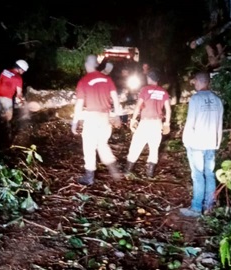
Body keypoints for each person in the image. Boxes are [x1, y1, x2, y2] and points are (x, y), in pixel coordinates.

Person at [71, 55, 122, 186]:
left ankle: (89, 177)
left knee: (89, 146)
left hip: (92, 117)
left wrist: (75, 122)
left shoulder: (84, 81)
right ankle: (114, 170)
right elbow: (116, 99)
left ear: (88, 65)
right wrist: (117, 116)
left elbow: (79, 104)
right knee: (102, 144)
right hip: (105, 117)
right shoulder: (107, 79)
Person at [180, 71, 223, 217]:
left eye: (195, 82)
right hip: (211, 143)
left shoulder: (195, 99)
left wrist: (186, 140)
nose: (195, 84)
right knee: (209, 174)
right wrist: (217, 142)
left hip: (197, 143)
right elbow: (220, 123)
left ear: (199, 82)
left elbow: (190, 122)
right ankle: (209, 207)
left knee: (198, 175)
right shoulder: (217, 100)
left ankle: (196, 208)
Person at [125, 70, 171, 178]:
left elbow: (138, 106)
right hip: (157, 123)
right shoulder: (163, 92)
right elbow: (168, 110)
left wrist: (133, 120)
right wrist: (167, 124)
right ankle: (149, 174)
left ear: (149, 78)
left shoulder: (145, 89)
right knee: (154, 148)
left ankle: (128, 170)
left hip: (145, 123)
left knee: (136, 146)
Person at [0, 59, 29, 135]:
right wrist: (22, 101)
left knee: (0, 115)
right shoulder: (18, 78)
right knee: (8, 117)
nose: (23, 73)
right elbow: (18, 94)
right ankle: (6, 134)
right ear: (20, 69)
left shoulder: (4, 71)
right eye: (23, 71)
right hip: (6, 98)